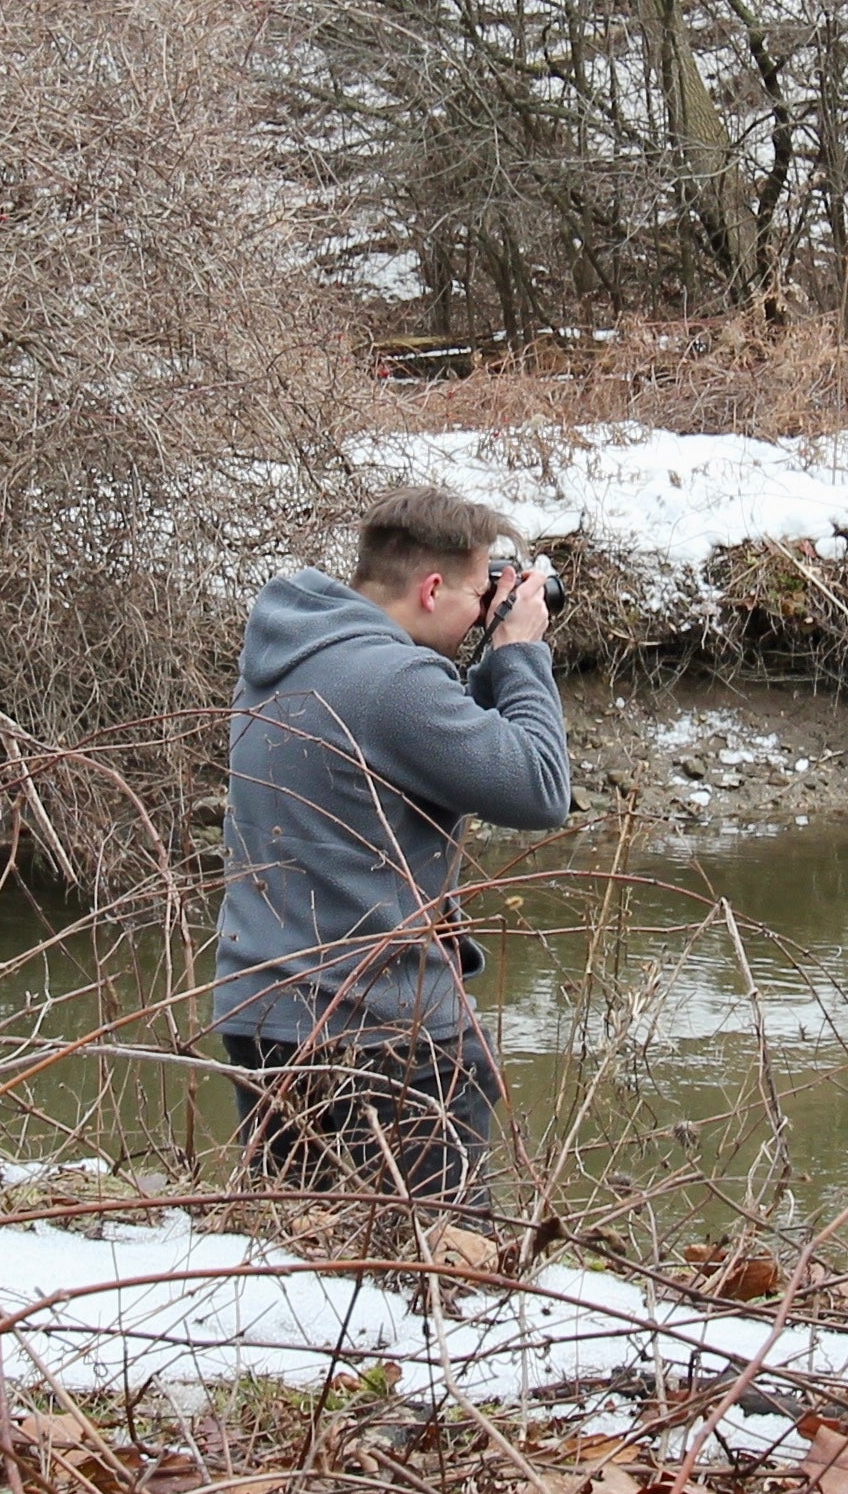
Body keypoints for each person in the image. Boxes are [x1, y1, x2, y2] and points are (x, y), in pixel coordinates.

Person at [210, 486, 575, 1209]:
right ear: (433, 588)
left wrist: (485, 659)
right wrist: (519, 652)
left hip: (270, 1021)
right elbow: (539, 788)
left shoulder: (302, 651)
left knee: (311, 1260)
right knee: (439, 1274)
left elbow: (424, 740)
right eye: (479, 593)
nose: (484, 611)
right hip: (380, 1038)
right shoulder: (392, 683)